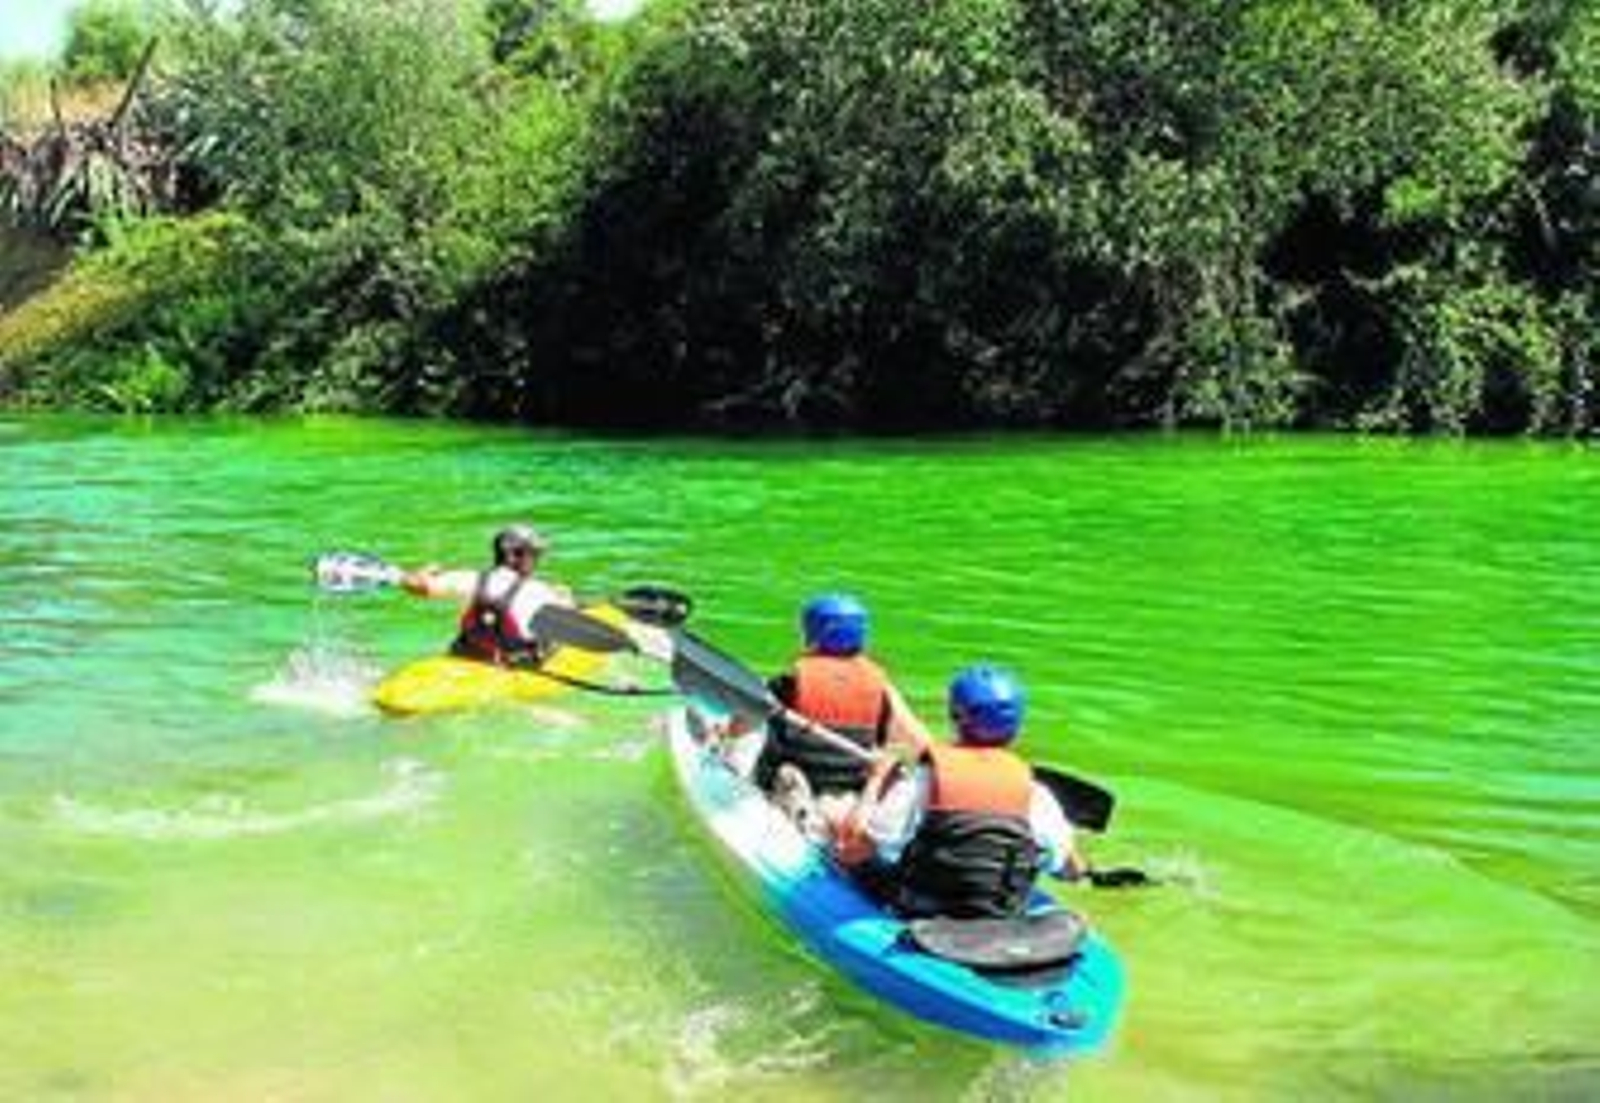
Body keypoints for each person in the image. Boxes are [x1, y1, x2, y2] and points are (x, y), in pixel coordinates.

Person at [832, 664, 1089, 919]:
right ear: (1017, 728)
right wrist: (1081, 868)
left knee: (842, 839)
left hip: (922, 912)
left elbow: (852, 849)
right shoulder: (1036, 793)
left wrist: (877, 780)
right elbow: (1071, 870)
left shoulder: (921, 782)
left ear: (955, 719)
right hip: (1000, 912)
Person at [752, 593, 931, 815]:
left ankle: (793, 798)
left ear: (811, 635)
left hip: (801, 773)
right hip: (854, 784)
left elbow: (745, 722)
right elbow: (918, 740)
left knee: (770, 758)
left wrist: (725, 735)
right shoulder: (880, 686)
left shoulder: (789, 681)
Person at [400, 524, 575, 667]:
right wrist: (565, 597)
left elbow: (413, 585)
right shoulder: (539, 591)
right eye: (534, 554)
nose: (537, 561)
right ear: (514, 556)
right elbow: (569, 622)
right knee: (551, 641)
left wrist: (424, 572)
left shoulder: (468, 578)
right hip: (510, 667)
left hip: (465, 657)